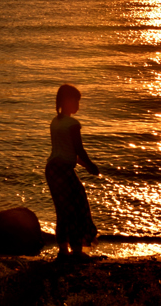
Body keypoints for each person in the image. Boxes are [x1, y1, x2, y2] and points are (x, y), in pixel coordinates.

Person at [45, 83, 100, 261]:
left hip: (53, 169)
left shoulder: (56, 121)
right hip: (62, 170)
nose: (78, 105)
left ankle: (63, 250)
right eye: (76, 101)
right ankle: (77, 251)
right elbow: (79, 151)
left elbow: (68, 152)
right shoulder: (72, 124)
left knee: (63, 210)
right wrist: (92, 166)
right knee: (78, 208)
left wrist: (85, 166)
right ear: (67, 101)